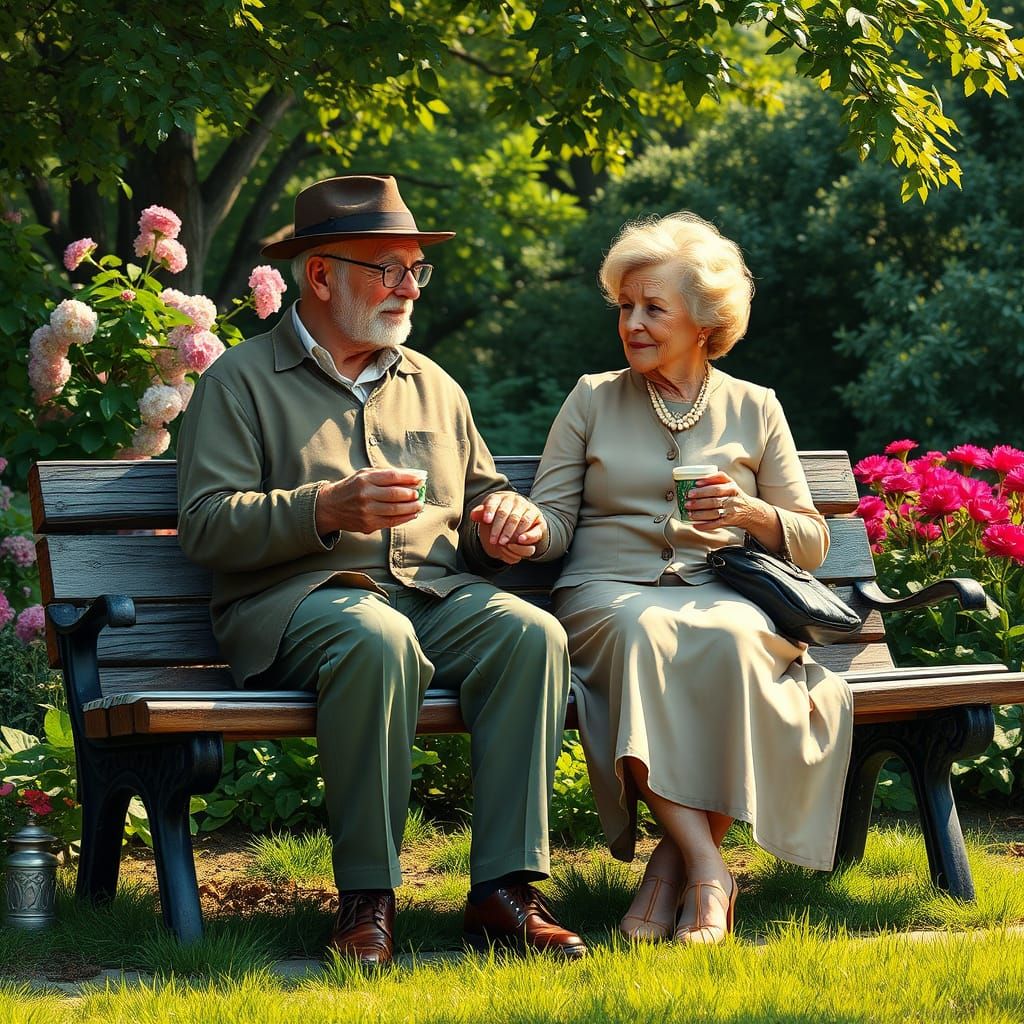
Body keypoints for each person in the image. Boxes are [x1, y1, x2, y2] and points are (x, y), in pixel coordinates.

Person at [176, 174, 586, 965]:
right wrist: (325, 509)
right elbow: (205, 525)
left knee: (531, 635)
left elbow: (481, 500)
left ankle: (504, 894)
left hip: (431, 593)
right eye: (388, 268)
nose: (410, 287)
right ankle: (368, 897)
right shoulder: (240, 381)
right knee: (376, 639)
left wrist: (504, 526)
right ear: (320, 275)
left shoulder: (433, 384)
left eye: (416, 269)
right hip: (297, 602)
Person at [487, 212, 853, 945]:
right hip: (605, 593)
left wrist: (748, 511)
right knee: (645, 632)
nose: (632, 323)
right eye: (625, 306)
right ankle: (712, 871)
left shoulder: (755, 406)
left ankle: (667, 873)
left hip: (720, 593)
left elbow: (812, 540)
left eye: (653, 308)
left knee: (739, 641)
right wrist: (522, 527)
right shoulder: (592, 397)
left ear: (704, 321)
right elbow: (555, 521)